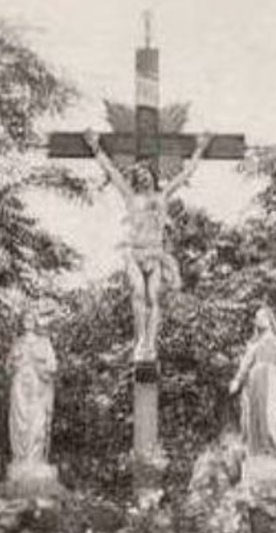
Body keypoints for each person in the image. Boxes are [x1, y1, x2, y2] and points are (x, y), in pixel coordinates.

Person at [84, 129, 212, 360]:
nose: (143, 178)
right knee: (138, 294)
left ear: (153, 177)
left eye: (146, 175)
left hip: (155, 255)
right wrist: (95, 148)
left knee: (154, 298)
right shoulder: (130, 197)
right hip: (135, 254)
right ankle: (140, 341)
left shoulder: (162, 197)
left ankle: (150, 345)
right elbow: (111, 172)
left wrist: (200, 149)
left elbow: (185, 174)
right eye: (139, 176)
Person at [229, 305, 276, 459]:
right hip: (255, 384)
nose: (259, 320)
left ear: (270, 320)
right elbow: (245, 364)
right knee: (256, 419)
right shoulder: (254, 344)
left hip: (274, 382)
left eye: (263, 317)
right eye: (257, 318)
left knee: (273, 416)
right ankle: (261, 455)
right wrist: (237, 380)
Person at [8, 306, 57, 467]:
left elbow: (53, 366)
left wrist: (40, 365)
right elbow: (7, 366)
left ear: (35, 322)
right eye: (25, 319)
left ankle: (36, 460)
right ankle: (20, 459)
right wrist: (15, 364)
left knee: (37, 422)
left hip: (38, 386)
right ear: (21, 322)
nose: (28, 322)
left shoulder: (44, 342)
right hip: (19, 385)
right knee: (19, 421)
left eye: (31, 319)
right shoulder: (17, 343)